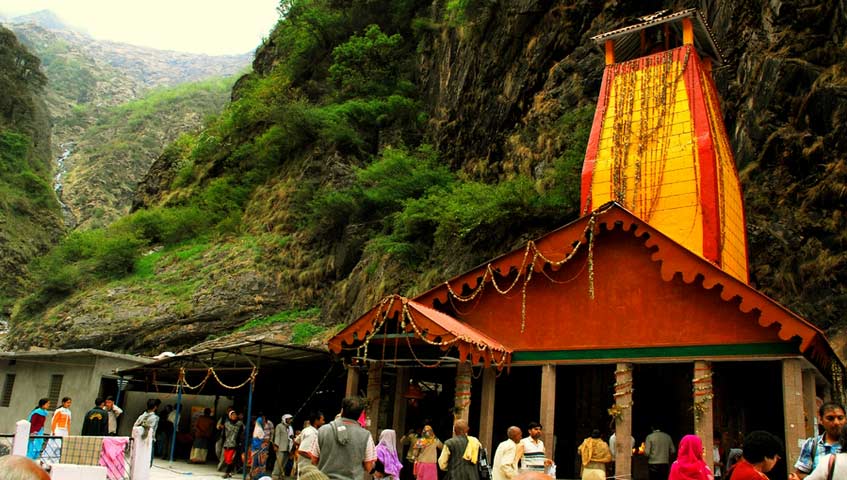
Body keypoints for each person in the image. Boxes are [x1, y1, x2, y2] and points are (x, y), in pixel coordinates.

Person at [308, 396, 376, 480]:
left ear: (342, 410)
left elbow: (313, 459)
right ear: (360, 414)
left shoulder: (322, 431)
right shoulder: (366, 435)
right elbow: (369, 467)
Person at [794, 401, 846, 478]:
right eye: (830, 418)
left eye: (840, 418)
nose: (836, 422)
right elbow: (800, 473)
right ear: (821, 420)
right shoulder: (811, 444)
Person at [221, 410, 245, 479]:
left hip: (235, 444)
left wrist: (240, 443)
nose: (234, 416)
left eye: (235, 415)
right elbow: (223, 434)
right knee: (227, 459)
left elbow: (242, 433)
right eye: (232, 415)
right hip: (226, 444)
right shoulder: (227, 424)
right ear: (230, 416)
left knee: (230, 459)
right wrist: (223, 442)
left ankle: (226, 473)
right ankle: (230, 472)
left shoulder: (240, 424)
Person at [249, 413, 273, 478]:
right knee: (257, 464)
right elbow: (260, 440)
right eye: (262, 420)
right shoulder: (258, 430)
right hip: (258, 450)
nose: (263, 421)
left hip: (261, 449)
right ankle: (255, 477)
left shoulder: (260, 429)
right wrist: (265, 442)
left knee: (261, 464)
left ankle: (259, 476)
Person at [272, 413, 294, 480]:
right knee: (278, 462)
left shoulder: (290, 427)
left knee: (284, 463)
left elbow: (291, 437)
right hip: (280, 447)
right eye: (289, 419)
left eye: (291, 419)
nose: (290, 420)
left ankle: (281, 476)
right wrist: (276, 445)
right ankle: (275, 476)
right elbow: (277, 436)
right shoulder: (279, 426)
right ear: (285, 419)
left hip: (287, 448)